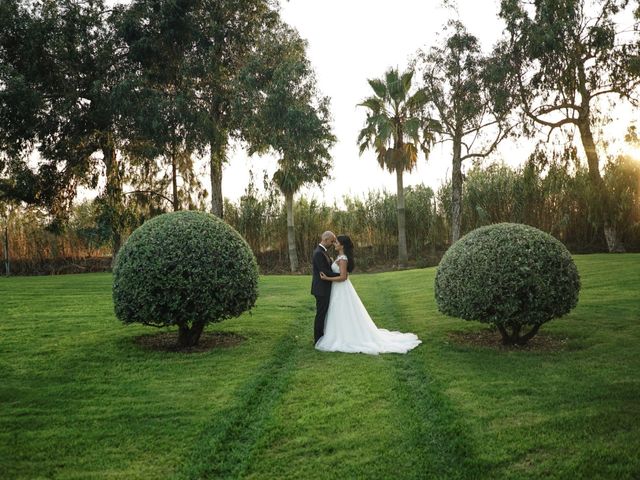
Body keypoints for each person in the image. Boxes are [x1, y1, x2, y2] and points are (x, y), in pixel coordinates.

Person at [315, 235, 421, 354]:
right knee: (339, 312)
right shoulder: (339, 257)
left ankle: (346, 336)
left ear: (342, 245)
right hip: (337, 289)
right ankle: (340, 333)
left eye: (336, 242)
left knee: (343, 311)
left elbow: (343, 277)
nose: (334, 244)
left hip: (341, 288)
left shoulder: (343, 258)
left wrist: (327, 278)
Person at [310, 231, 340, 344]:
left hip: (323, 288)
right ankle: (317, 339)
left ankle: (321, 336)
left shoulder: (323, 251)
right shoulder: (318, 253)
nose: (332, 243)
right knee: (321, 313)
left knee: (323, 313)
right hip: (321, 289)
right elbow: (325, 272)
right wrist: (341, 275)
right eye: (332, 241)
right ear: (325, 239)